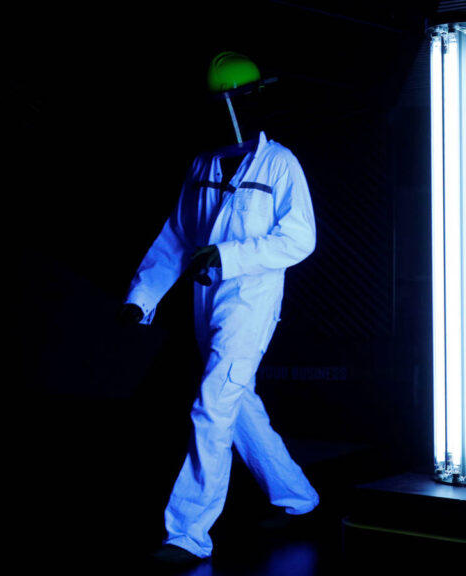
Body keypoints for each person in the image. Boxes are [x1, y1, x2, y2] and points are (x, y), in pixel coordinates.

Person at [121, 52, 319, 565]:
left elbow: (300, 239)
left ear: (249, 101)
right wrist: (141, 298)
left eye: (231, 101)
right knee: (238, 403)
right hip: (205, 302)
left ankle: (188, 534)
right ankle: (298, 497)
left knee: (212, 405)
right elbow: (177, 237)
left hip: (250, 304)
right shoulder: (202, 164)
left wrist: (228, 255)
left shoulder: (280, 164)